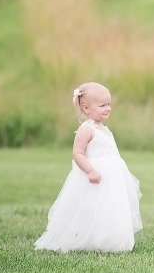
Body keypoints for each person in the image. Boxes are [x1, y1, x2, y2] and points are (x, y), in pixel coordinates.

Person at [35, 82, 142, 253]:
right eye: (102, 105)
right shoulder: (86, 130)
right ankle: (91, 240)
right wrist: (90, 170)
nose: (108, 108)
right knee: (94, 208)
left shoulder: (104, 129)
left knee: (112, 206)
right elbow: (77, 153)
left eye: (109, 104)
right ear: (86, 108)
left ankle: (114, 240)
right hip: (95, 176)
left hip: (112, 177)